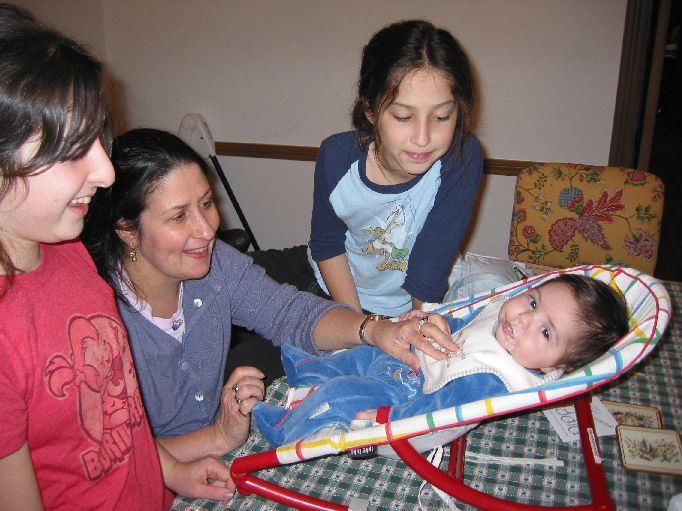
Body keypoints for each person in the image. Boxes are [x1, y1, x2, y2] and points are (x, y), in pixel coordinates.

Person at [81, 128, 460, 466]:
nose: (207, 230)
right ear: (127, 231)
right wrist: (218, 437)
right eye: (179, 216)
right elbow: (106, 458)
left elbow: (288, 313)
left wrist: (376, 329)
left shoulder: (217, 263)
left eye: (206, 203)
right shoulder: (96, 321)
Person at [0, 4, 234, 509]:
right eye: (72, 150)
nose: (106, 173)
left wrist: (170, 470)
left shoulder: (71, 255)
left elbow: (119, 416)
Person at [231, 18, 483, 379]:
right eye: (403, 117)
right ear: (370, 111)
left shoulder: (461, 157)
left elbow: (430, 265)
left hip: (403, 305)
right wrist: (358, 328)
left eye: (442, 117)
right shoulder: (336, 157)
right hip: (333, 283)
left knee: (255, 363)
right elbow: (327, 246)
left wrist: (414, 332)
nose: (423, 138)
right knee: (224, 281)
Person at [253, 274, 630, 447]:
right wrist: (438, 323)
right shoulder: (504, 319)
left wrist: (387, 420)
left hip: (408, 397)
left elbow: (438, 412)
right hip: (412, 360)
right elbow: (464, 323)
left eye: (545, 332)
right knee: (363, 353)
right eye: (532, 302)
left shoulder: (494, 379)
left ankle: (289, 428)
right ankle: (309, 369)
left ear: (553, 368)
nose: (524, 319)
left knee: (344, 393)